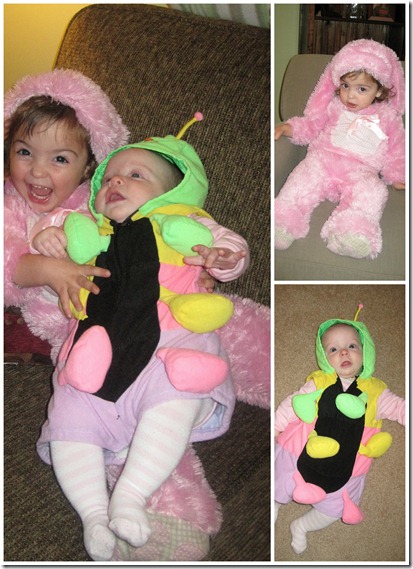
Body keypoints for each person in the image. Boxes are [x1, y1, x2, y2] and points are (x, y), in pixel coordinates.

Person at [33, 124, 250, 560]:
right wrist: (48, 235)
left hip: (167, 351)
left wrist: (223, 258)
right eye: (109, 177)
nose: (116, 181)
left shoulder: (188, 223)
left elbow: (231, 248)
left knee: (175, 399)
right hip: (94, 358)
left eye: (136, 175)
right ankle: (94, 515)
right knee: (69, 420)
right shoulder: (90, 229)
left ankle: (130, 495)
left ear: (174, 193)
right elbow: (52, 242)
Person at [274, 306, 405, 554]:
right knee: (279, 480)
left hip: (349, 468)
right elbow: (293, 404)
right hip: (300, 449)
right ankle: (274, 505)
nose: (344, 352)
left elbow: (401, 408)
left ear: (366, 353)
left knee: (337, 509)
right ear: (324, 358)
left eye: (352, 346)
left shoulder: (376, 391)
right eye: (333, 349)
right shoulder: (319, 381)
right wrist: (275, 427)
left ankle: (301, 526)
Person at [274, 39, 405, 259]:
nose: (350, 95)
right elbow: (312, 124)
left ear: (379, 91)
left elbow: (397, 149)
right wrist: (289, 128)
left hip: (361, 171)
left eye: (362, 89)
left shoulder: (388, 117)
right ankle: (283, 222)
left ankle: (352, 232)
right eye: (345, 86)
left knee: (373, 190)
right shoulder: (333, 106)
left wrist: (398, 175)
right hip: (322, 161)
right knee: (303, 177)